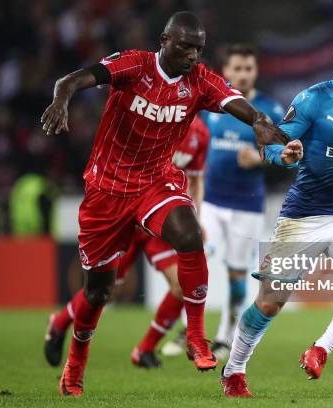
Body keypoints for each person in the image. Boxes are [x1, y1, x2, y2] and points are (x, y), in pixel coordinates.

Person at [40, 11, 287, 397]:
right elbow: (71, 80)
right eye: (186, 46)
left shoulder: (199, 80)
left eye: (198, 49)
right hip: (107, 189)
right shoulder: (134, 65)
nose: (192, 55)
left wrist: (257, 120)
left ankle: (197, 336)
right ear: (165, 40)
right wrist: (61, 100)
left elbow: (231, 98)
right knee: (98, 293)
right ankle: (75, 364)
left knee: (190, 236)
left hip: (157, 180)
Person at [220, 26, 333, 397]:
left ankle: (320, 349)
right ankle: (234, 369)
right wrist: (283, 154)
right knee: (271, 302)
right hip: (302, 218)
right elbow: (273, 142)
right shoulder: (313, 100)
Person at [44, 115, 210, 369]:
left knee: (180, 285)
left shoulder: (201, 134)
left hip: (161, 213)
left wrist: (197, 216)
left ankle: (145, 348)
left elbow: (197, 179)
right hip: (125, 212)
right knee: (104, 291)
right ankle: (59, 323)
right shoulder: (150, 113)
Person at [199, 44, 285, 358]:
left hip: (247, 206)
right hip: (210, 202)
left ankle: (225, 335)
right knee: (194, 258)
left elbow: (287, 157)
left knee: (237, 275)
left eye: (249, 68)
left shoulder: (271, 111)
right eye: (237, 68)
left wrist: (261, 159)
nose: (243, 74)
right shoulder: (211, 106)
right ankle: (190, 332)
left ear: (256, 71)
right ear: (226, 72)